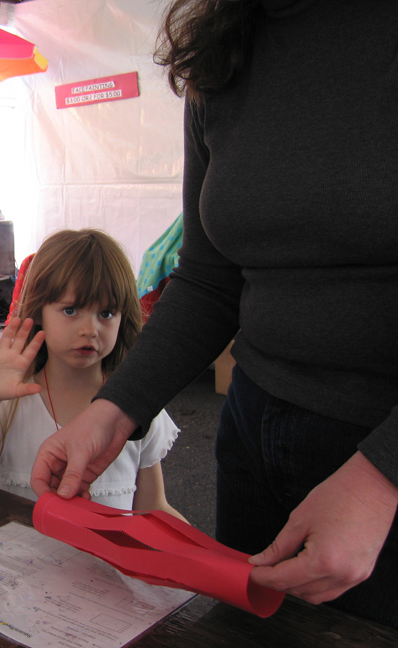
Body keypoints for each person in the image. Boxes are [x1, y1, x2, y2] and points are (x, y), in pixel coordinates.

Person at [31, 0, 398, 629]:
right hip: (254, 428)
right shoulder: (225, 44)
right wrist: (114, 408)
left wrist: (382, 477)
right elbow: (209, 277)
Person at [0, 229, 185, 518]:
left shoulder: (136, 406)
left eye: (107, 313)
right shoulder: (12, 398)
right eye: (71, 310)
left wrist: (208, 558)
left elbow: (154, 507)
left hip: (108, 565)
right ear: (39, 311)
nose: (90, 329)